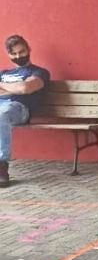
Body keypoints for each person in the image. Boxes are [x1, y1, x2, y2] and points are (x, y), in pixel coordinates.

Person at [0, 35, 50, 187]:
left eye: (21, 52)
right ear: (8, 55)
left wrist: (4, 87)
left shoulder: (39, 72)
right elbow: (19, 87)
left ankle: (1, 166)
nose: (18, 56)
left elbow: (25, 88)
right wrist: (13, 88)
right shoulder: (4, 73)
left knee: (2, 113)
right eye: (13, 54)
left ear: (29, 49)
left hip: (19, 109)